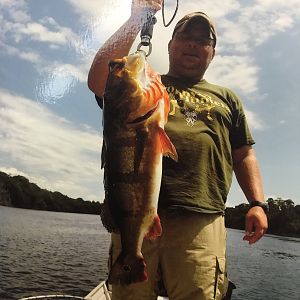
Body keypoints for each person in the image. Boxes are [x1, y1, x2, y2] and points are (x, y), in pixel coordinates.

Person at [88, 1, 268, 299]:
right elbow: (98, 79)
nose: (193, 45)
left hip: (201, 220)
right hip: (134, 220)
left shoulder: (227, 98)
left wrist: (257, 203)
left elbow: (244, 154)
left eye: (203, 41)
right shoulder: (147, 83)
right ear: (170, 44)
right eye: (185, 37)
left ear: (213, 52)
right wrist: (138, 19)